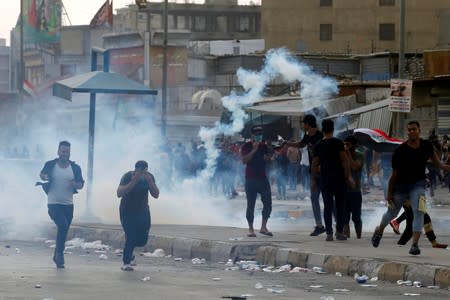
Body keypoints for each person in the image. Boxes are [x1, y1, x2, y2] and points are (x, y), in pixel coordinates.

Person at [371, 121, 450, 255]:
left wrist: (444, 167)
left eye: (414, 129)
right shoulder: (400, 151)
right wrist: (389, 194)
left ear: (419, 130)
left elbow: (436, 162)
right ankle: (379, 231)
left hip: (418, 185)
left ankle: (414, 244)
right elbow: (394, 175)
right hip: (400, 187)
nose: (411, 132)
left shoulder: (426, 146)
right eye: (409, 130)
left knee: (419, 212)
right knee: (392, 213)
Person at [39, 141, 84, 268]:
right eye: (63, 151)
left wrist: (75, 184)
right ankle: (60, 254)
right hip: (53, 203)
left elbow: (80, 184)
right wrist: (45, 177)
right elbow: (42, 174)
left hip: (68, 204)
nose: (65, 154)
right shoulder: (51, 164)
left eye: (67, 152)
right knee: (63, 225)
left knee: (64, 229)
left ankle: (57, 254)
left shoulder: (75, 168)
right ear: (58, 152)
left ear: (70, 153)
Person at [312, 119, 354, 241]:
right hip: (339, 179)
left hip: (325, 180)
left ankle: (329, 234)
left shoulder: (318, 145)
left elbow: (314, 164)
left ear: (322, 130)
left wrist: (313, 180)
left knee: (328, 206)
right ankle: (339, 232)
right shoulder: (338, 143)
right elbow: (345, 161)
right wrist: (347, 176)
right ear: (333, 129)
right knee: (340, 206)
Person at [117, 160, 160, 271]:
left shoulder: (149, 177)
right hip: (127, 211)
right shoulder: (128, 176)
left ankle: (130, 253)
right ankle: (126, 262)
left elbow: (156, 195)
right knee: (131, 236)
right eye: (140, 171)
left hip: (143, 211)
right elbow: (119, 193)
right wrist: (134, 181)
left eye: (144, 171)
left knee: (142, 240)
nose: (142, 173)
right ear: (135, 169)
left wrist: (150, 182)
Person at [287, 114, 325, 236]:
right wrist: (288, 143)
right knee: (314, 198)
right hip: (313, 172)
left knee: (328, 199)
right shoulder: (307, 136)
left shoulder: (320, 135)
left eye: (304, 123)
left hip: (324, 172)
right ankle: (319, 225)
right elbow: (301, 144)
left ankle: (338, 224)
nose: (303, 125)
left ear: (308, 124)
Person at [240, 126, 273, 237]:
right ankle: (251, 229)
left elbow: (269, 161)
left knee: (268, 203)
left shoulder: (263, 146)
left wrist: (269, 154)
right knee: (251, 205)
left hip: (262, 178)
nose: (259, 135)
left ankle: (263, 227)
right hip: (250, 179)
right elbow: (244, 160)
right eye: (257, 133)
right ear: (252, 135)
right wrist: (254, 150)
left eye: (261, 133)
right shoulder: (246, 146)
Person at [342, 135, 364, 239]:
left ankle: (358, 237)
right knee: (344, 217)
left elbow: (355, 167)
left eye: (348, 144)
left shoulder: (359, 156)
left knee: (356, 217)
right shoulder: (341, 155)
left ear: (354, 145)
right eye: (344, 144)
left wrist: (347, 154)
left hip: (355, 191)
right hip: (344, 190)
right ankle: (347, 237)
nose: (346, 146)